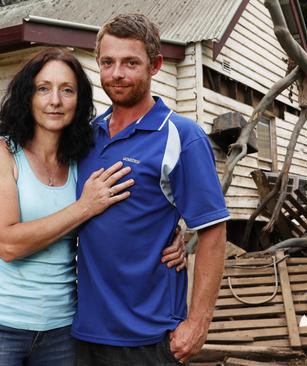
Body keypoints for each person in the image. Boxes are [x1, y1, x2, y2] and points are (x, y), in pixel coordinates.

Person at [0, 48, 186, 366]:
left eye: (67, 90)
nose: (55, 101)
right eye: (43, 88)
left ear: (80, 101)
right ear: (27, 95)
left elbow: (132, 208)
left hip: (61, 331)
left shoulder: (82, 159)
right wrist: (82, 208)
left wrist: (175, 235)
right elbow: (7, 245)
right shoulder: (2, 152)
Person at [71, 14, 229, 365]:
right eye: (108, 63)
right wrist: (2, 227)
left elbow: (213, 231)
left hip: (149, 334)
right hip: (82, 330)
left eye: (131, 63)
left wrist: (198, 323)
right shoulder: (84, 136)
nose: (117, 74)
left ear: (155, 65)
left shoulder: (182, 137)